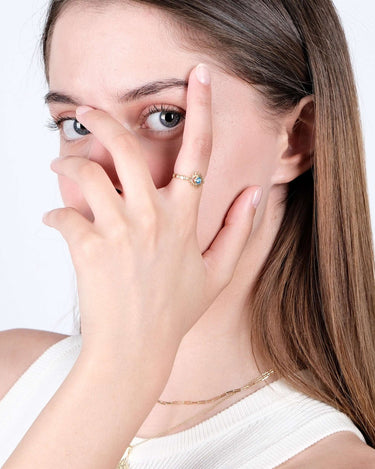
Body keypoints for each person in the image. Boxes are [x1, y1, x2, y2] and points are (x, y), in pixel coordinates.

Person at [0, 0, 374, 467]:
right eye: (76, 124)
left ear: (297, 137)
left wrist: (123, 368)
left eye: (165, 117)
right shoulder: (10, 376)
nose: (102, 173)